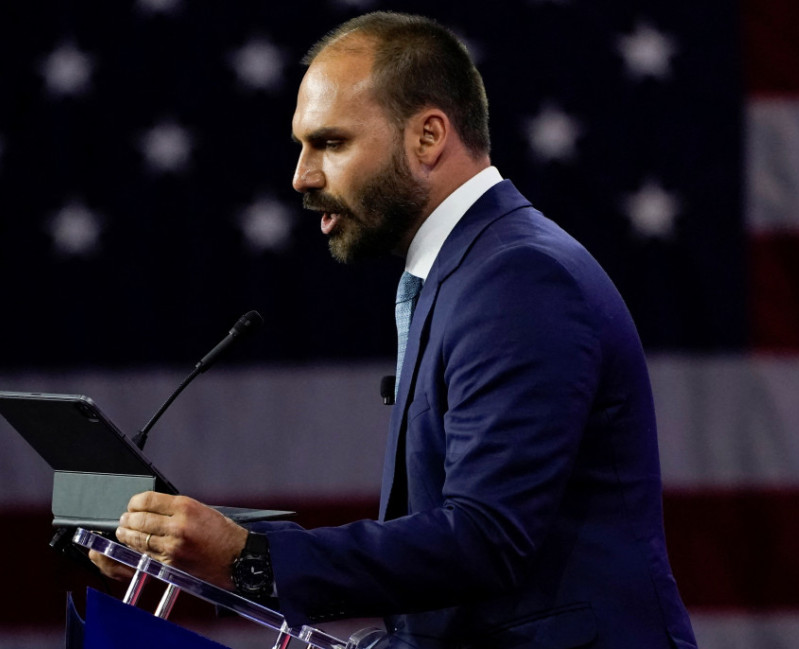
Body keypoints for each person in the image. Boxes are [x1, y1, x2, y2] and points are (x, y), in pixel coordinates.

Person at [91, 11, 697, 649]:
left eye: (330, 143)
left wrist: (249, 558)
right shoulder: (467, 271)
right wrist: (197, 542)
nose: (302, 176)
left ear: (428, 136)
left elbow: (486, 540)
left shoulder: (518, 278)